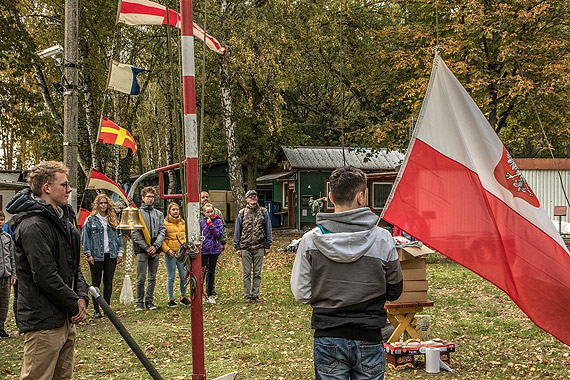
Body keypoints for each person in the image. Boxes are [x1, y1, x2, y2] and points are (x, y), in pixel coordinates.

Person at [290, 166, 403, 380]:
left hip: (328, 335)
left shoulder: (310, 241)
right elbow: (395, 290)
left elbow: (301, 294)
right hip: (368, 335)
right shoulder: (382, 239)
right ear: (361, 197)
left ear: (331, 197)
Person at [6, 161, 89, 380]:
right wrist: (73, 302)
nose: (69, 189)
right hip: (43, 320)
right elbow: (44, 274)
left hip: (64, 318)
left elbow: (73, 266)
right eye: (64, 184)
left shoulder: (61, 221)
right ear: (47, 187)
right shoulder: (33, 225)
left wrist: (81, 296)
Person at [81, 193, 123, 319]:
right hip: (96, 255)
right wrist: (88, 254)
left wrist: (120, 252)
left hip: (111, 254)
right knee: (95, 283)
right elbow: (85, 238)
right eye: (101, 203)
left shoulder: (113, 220)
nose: (103, 205)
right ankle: (96, 309)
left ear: (108, 204)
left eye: (105, 203)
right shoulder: (91, 220)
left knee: (108, 282)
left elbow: (119, 237)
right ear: (97, 205)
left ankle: (107, 308)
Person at [233, 189, 272, 303]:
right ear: (246, 199)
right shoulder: (242, 213)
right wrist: (237, 247)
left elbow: (268, 229)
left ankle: (255, 294)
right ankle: (247, 295)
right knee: (246, 273)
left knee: (257, 273)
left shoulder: (264, 212)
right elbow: (237, 231)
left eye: (254, 196)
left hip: (259, 246)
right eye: (250, 197)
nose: (253, 198)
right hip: (245, 247)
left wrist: (268, 245)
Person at [132, 186, 166, 311]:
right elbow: (135, 232)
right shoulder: (137, 213)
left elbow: (163, 230)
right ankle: (139, 302)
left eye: (152, 197)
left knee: (152, 276)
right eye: (148, 196)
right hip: (142, 249)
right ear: (143, 198)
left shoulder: (159, 214)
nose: (150, 199)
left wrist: (156, 245)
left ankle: (149, 301)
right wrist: (146, 247)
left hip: (155, 247)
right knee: (141, 277)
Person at [162, 202, 190, 308]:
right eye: (173, 209)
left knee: (184, 275)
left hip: (181, 253)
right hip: (171, 253)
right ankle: (171, 299)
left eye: (177, 209)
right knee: (171, 276)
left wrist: (186, 246)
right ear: (169, 211)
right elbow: (162, 239)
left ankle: (183, 296)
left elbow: (185, 236)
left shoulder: (183, 223)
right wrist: (167, 250)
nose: (175, 211)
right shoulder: (165, 223)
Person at [200, 191, 228, 296]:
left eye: (207, 196)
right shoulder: (199, 216)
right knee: (202, 270)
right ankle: (200, 290)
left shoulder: (218, 217)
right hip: (203, 248)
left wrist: (223, 242)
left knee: (211, 270)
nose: (205, 198)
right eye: (203, 197)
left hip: (214, 247)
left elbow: (221, 231)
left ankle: (211, 291)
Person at [0, 211, 16, 338]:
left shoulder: (7, 237)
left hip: (6, 274)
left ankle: (1, 326)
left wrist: (13, 274)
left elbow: (12, 257)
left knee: (4, 302)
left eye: (1, 220)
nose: (0, 222)